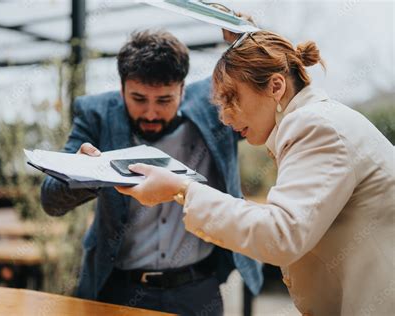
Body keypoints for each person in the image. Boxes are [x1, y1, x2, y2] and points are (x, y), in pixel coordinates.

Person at [116, 30, 395, 315]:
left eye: (231, 98)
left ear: (276, 87)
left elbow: (281, 233)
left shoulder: (315, 127)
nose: (224, 117)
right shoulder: (317, 120)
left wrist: (183, 190)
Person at [40, 30, 263, 315]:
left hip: (198, 288)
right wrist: (86, 173)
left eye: (164, 101)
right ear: (121, 90)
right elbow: (50, 198)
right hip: (119, 288)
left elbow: (270, 87)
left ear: (183, 90)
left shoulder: (214, 105)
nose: (150, 113)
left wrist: (250, 38)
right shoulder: (96, 114)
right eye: (138, 98)